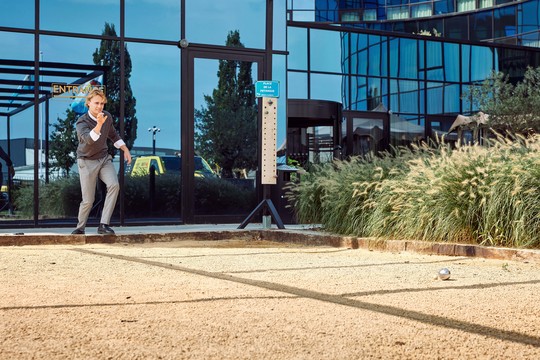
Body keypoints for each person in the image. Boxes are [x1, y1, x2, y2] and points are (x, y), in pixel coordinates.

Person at [72, 88, 132, 235]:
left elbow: (112, 134)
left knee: (114, 185)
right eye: (96, 103)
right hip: (86, 161)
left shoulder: (107, 116)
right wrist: (99, 124)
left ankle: (103, 224)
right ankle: (80, 227)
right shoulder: (81, 122)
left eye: (102, 104)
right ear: (89, 103)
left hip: (104, 158)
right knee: (88, 200)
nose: (99, 107)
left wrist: (125, 149)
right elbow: (90, 140)